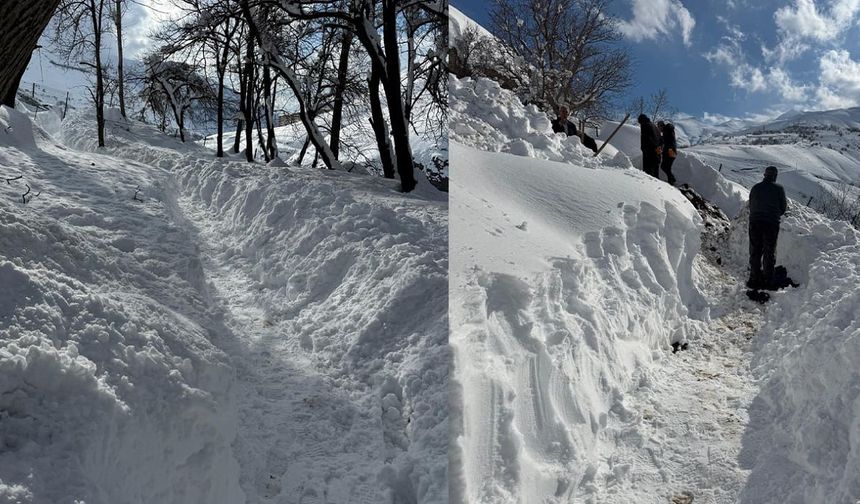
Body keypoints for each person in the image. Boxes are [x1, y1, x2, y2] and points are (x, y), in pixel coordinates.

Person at [747, 165, 788, 290]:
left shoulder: (755, 188)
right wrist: (773, 215)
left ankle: (754, 277)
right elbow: (783, 208)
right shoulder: (779, 189)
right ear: (775, 176)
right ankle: (768, 279)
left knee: (755, 251)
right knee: (769, 251)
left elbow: (751, 204)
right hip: (771, 224)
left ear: (765, 175)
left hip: (754, 223)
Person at [638, 114, 661, 178]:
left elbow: (645, 138)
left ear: (641, 120)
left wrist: (644, 148)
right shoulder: (654, 126)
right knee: (656, 171)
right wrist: (658, 148)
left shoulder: (645, 125)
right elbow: (661, 139)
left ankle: (648, 186)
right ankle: (658, 185)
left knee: (648, 173)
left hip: (649, 152)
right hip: (657, 151)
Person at [657, 121, 678, 185]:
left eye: (659, 127)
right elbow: (666, 140)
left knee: (665, 167)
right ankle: (671, 180)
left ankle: (672, 180)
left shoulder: (667, 130)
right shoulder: (667, 131)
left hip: (670, 151)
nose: (659, 129)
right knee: (666, 167)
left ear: (661, 126)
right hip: (671, 151)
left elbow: (668, 142)